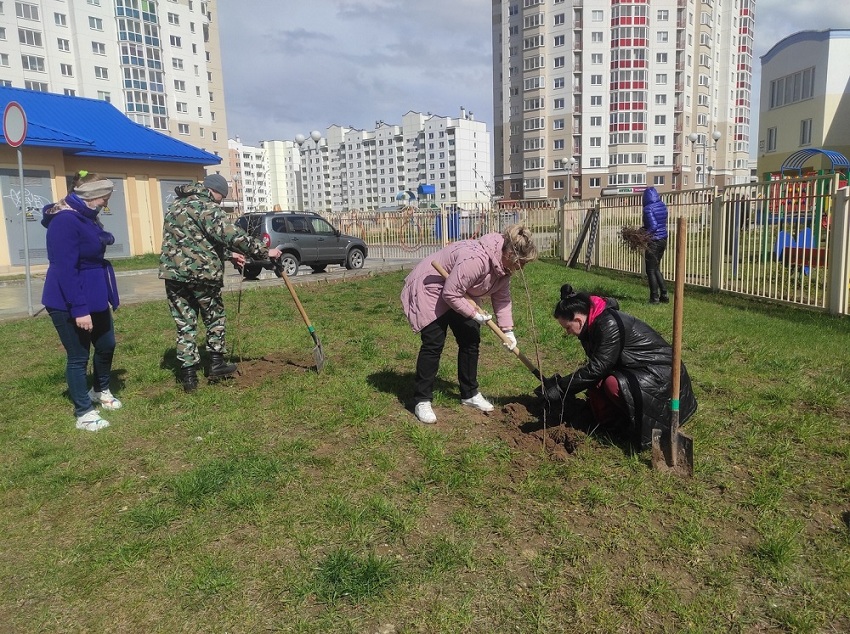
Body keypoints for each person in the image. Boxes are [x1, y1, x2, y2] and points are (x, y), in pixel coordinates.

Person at [400, 224, 538, 424]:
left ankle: (469, 393)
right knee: (434, 342)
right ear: (509, 254)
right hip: (432, 287)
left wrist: (508, 331)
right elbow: (450, 293)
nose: (522, 268)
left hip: (458, 290)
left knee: (470, 338)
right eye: (521, 263)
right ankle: (422, 400)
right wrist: (473, 313)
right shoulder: (476, 260)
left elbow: (502, 299)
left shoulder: (504, 268)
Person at [159, 174, 281, 392]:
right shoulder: (207, 207)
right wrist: (264, 251)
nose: (219, 202)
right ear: (215, 192)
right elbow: (231, 235)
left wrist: (229, 255)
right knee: (214, 316)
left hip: (174, 274)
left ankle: (188, 377)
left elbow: (194, 240)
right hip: (202, 276)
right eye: (221, 198)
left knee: (185, 323)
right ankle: (216, 364)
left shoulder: (175, 207)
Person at [539, 284, 697, 449]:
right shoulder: (592, 324)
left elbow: (597, 368)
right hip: (637, 368)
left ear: (578, 320)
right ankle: (614, 426)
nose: (567, 332)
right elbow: (596, 368)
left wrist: (561, 388)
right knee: (596, 385)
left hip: (662, 375)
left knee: (611, 384)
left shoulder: (608, 325)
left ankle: (638, 425)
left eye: (567, 328)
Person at [41, 175, 121, 431]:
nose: (106, 202)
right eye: (104, 196)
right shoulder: (64, 221)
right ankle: (84, 412)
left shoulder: (87, 216)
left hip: (94, 295)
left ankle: (99, 389)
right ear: (90, 194)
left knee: (107, 344)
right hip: (68, 299)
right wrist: (79, 309)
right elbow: (65, 269)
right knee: (78, 356)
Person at [642, 186, 669, 304]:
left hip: (653, 241)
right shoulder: (662, 205)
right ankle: (664, 294)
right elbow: (660, 223)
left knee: (650, 270)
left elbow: (653, 226)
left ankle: (654, 298)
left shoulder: (648, 209)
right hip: (663, 239)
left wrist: (644, 236)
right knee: (656, 268)